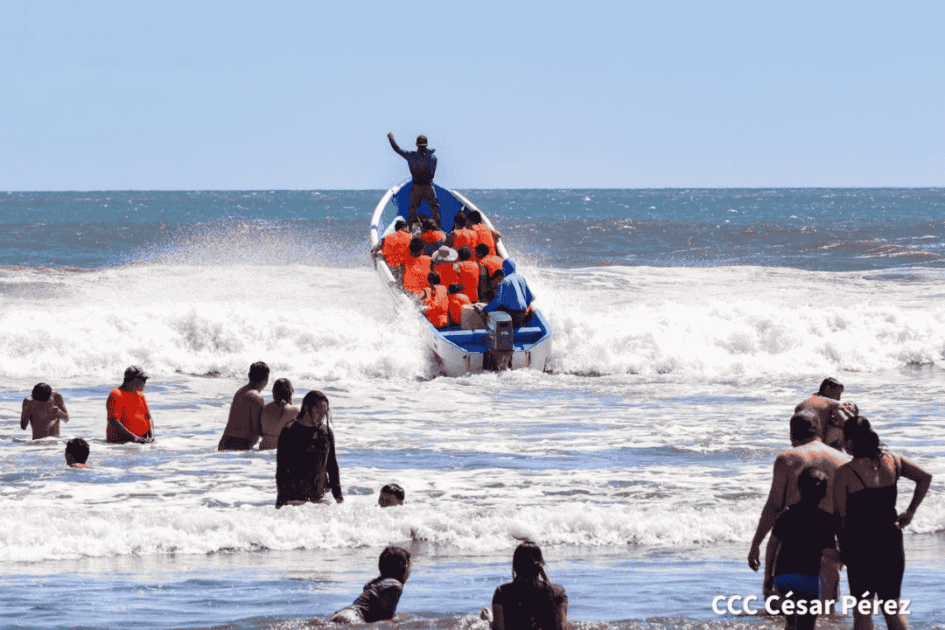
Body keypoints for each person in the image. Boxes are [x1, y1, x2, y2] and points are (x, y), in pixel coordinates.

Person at [834, 416, 932, 630]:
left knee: (862, 614)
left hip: (861, 548)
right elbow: (925, 477)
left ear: (850, 442)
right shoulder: (894, 461)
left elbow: (840, 518)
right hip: (892, 542)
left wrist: (842, 551)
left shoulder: (845, 474)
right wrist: (911, 511)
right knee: (892, 610)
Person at [748, 411, 847, 602]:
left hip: (791, 554)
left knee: (785, 611)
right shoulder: (842, 460)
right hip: (827, 548)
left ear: (792, 433)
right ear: (818, 430)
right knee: (826, 611)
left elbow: (774, 506)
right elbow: (846, 513)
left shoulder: (788, 459)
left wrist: (756, 544)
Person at [765, 466, 839, 630]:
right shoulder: (825, 519)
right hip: (807, 579)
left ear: (799, 487)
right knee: (806, 624)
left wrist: (768, 575)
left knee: (791, 622)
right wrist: (850, 559)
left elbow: (772, 545)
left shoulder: (786, 514)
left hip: (783, 578)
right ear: (824, 493)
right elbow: (828, 552)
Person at [275, 390, 343, 508]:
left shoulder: (326, 432)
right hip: (295, 499)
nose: (322, 416)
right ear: (307, 409)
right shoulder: (289, 431)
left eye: (324, 412)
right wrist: (282, 500)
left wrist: (338, 496)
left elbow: (332, 465)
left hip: (320, 496)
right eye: (318, 412)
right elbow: (282, 469)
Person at [486, 541, 568, 630]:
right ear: (541, 565)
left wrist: (490, 619)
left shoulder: (502, 593)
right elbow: (563, 627)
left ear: (515, 566)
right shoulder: (558, 592)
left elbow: (499, 628)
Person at [330, 545, 412, 623]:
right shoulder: (394, 585)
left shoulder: (377, 583)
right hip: (353, 617)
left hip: (343, 614)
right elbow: (387, 618)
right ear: (405, 566)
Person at [387, 132, 440, 228]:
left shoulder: (411, 156)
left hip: (416, 187)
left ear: (416, 144)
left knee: (412, 210)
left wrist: (391, 138)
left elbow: (397, 149)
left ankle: (409, 229)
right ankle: (439, 230)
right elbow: (431, 175)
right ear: (427, 145)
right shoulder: (433, 157)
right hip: (429, 186)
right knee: (435, 209)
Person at [218, 361, 269, 451]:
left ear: (249, 375)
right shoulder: (257, 397)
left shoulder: (240, 392)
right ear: (266, 379)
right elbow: (257, 428)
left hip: (224, 442)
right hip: (240, 445)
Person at [796, 378, 858, 451]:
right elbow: (848, 424)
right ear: (827, 389)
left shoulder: (801, 405)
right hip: (817, 447)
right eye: (838, 394)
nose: (839, 398)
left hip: (799, 446)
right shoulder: (832, 403)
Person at [106, 366, 154, 444]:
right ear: (134, 379)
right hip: (121, 444)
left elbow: (148, 417)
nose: (145, 383)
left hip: (140, 442)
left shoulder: (140, 395)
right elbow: (113, 422)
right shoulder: (116, 394)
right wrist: (135, 438)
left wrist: (152, 437)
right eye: (144, 380)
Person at [482, 259, 535, 328]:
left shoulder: (505, 281)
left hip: (511, 315)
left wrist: (486, 309)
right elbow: (530, 297)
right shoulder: (522, 279)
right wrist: (524, 309)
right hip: (523, 313)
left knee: (488, 312)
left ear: (504, 268)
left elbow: (498, 301)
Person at [259, 378, 298, 451]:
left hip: (263, 448)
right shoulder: (294, 410)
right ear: (290, 393)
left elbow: (260, 431)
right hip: (281, 450)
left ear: (273, 392)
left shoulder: (265, 408)